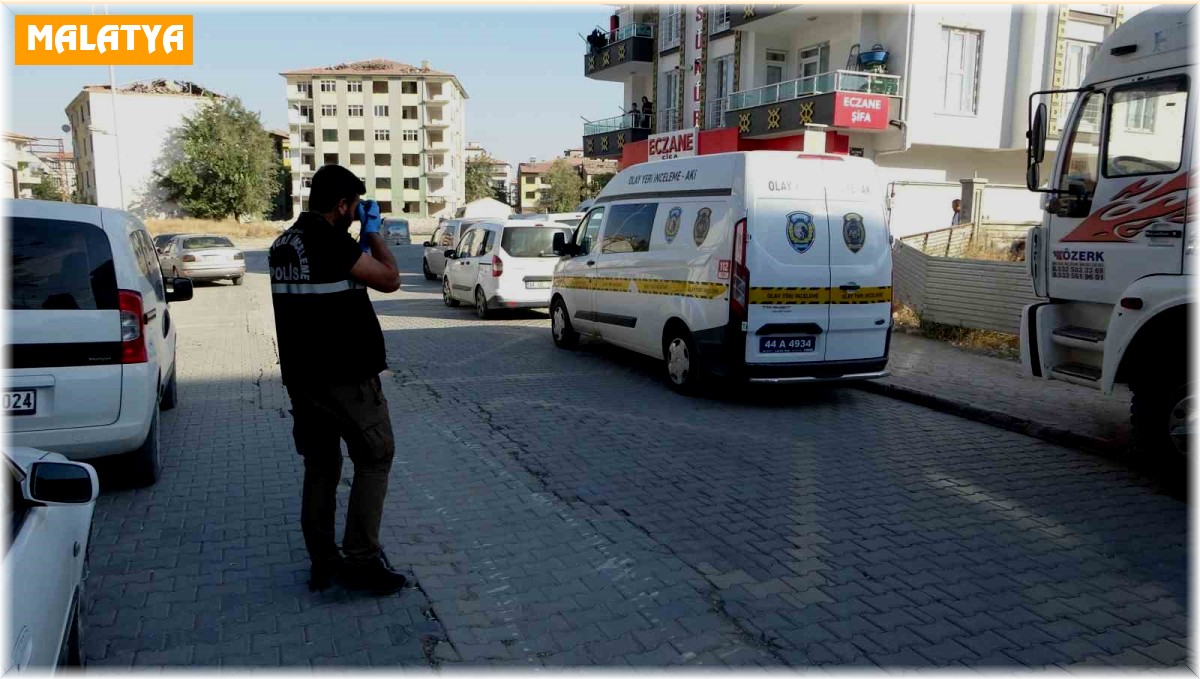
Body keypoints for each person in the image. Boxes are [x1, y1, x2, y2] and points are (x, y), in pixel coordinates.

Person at [268, 164, 406, 595]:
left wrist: (359, 238)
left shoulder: (283, 244)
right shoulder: (329, 242)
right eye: (354, 206)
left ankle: (323, 562)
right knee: (375, 456)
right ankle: (361, 561)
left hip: (303, 382)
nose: (356, 213)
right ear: (342, 205)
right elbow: (390, 280)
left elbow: (340, 279)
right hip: (346, 379)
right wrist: (376, 232)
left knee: (321, 467)